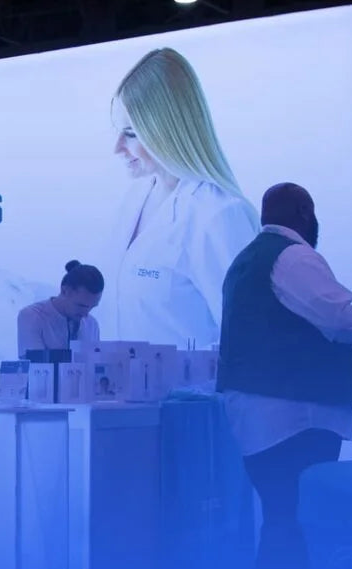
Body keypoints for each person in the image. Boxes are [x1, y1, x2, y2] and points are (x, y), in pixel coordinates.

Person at [217, 183, 352, 569]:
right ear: (305, 212)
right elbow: (340, 317)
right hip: (298, 416)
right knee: (295, 520)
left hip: (256, 416)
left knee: (279, 518)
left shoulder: (244, 261)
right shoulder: (295, 257)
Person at [107, 48, 259, 348]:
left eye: (131, 133)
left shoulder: (218, 215)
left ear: (167, 130)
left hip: (191, 381)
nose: (117, 148)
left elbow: (249, 340)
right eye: (117, 131)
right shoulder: (134, 199)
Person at [17, 261, 104, 357]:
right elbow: (34, 363)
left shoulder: (92, 324)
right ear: (64, 291)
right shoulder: (32, 317)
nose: (86, 314)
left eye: (92, 307)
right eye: (81, 306)